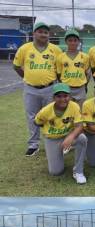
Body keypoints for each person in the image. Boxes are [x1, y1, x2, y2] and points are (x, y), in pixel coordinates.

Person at [13, 22, 62, 156]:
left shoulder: (55, 49)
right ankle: (33, 145)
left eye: (46, 32)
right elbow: (16, 66)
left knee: (52, 115)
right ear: (34, 33)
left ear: (48, 35)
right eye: (40, 31)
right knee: (32, 117)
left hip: (50, 88)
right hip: (30, 89)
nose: (43, 34)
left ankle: (53, 141)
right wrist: (27, 77)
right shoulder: (25, 48)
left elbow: (60, 70)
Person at [34, 83, 87, 184]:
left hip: (68, 136)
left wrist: (71, 136)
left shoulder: (74, 106)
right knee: (56, 172)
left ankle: (78, 172)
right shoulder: (45, 111)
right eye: (59, 96)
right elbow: (37, 122)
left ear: (70, 96)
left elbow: (79, 126)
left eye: (65, 96)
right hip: (52, 139)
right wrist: (50, 131)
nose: (63, 99)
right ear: (53, 98)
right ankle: (59, 151)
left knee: (82, 138)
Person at [56, 29, 90, 107]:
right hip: (66, 88)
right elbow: (59, 74)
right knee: (68, 110)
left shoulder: (85, 56)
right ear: (66, 41)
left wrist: (84, 85)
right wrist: (64, 85)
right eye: (70, 40)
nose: (73, 43)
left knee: (80, 111)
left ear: (78, 42)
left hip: (80, 88)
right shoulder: (60, 57)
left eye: (75, 40)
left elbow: (87, 73)